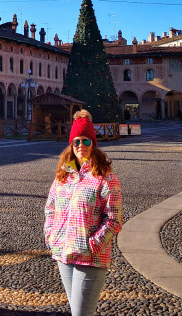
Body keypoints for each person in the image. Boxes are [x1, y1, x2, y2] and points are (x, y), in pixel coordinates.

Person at [44, 109, 123, 316]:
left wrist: (93, 245)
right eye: (77, 141)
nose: (81, 146)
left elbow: (114, 218)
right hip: (63, 253)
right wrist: (51, 237)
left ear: (93, 144)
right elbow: (50, 208)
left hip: (91, 257)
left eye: (86, 141)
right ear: (71, 144)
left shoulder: (105, 177)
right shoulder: (64, 174)